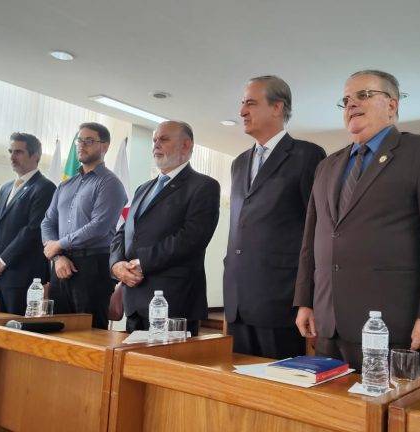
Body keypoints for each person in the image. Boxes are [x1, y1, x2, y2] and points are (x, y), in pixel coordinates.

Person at [294, 70, 420, 371]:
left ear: (392, 105)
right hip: (329, 323)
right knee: (333, 414)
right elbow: (312, 240)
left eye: (363, 95)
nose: (351, 104)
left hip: (392, 326)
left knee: (389, 416)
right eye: (346, 99)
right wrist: (305, 301)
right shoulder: (327, 166)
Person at [223, 75, 326, 359]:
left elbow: (316, 229)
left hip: (280, 301)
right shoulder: (239, 163)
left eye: (251, 103)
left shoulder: (308, 156)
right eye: (242, 104)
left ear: (277, 107)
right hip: (237, 302)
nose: (242, 111)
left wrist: (308, 299)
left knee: (275, 390)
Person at [110, 121, 219, 336]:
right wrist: (116, 264)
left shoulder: (204, 186)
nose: (156, 145)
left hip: (174, 302)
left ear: (186, 145)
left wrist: (142, 263)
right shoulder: (143, 188)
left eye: (164, 139)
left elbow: (192, 238)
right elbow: (123, 231)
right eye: (154, 140)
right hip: (134, 298)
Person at [41, 122, 127, 329]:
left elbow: (99, 226)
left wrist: (59, 245)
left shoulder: (110, 183)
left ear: (104, 146)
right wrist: (57, 255)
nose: (82, 145)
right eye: (79, 140)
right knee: (57, 328)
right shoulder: (65, 185)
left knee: (89, 331)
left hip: (93, 267)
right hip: (60, 266)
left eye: (89, 141)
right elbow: (47, 222)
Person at [0, 132, 56, 314]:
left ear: (35, 156)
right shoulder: (6, 188)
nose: (12, 157)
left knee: (16, 331)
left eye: (18, 152)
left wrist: (2, 261)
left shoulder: (45, 187)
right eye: (10, 151)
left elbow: (32, 230)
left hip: (23, 277)